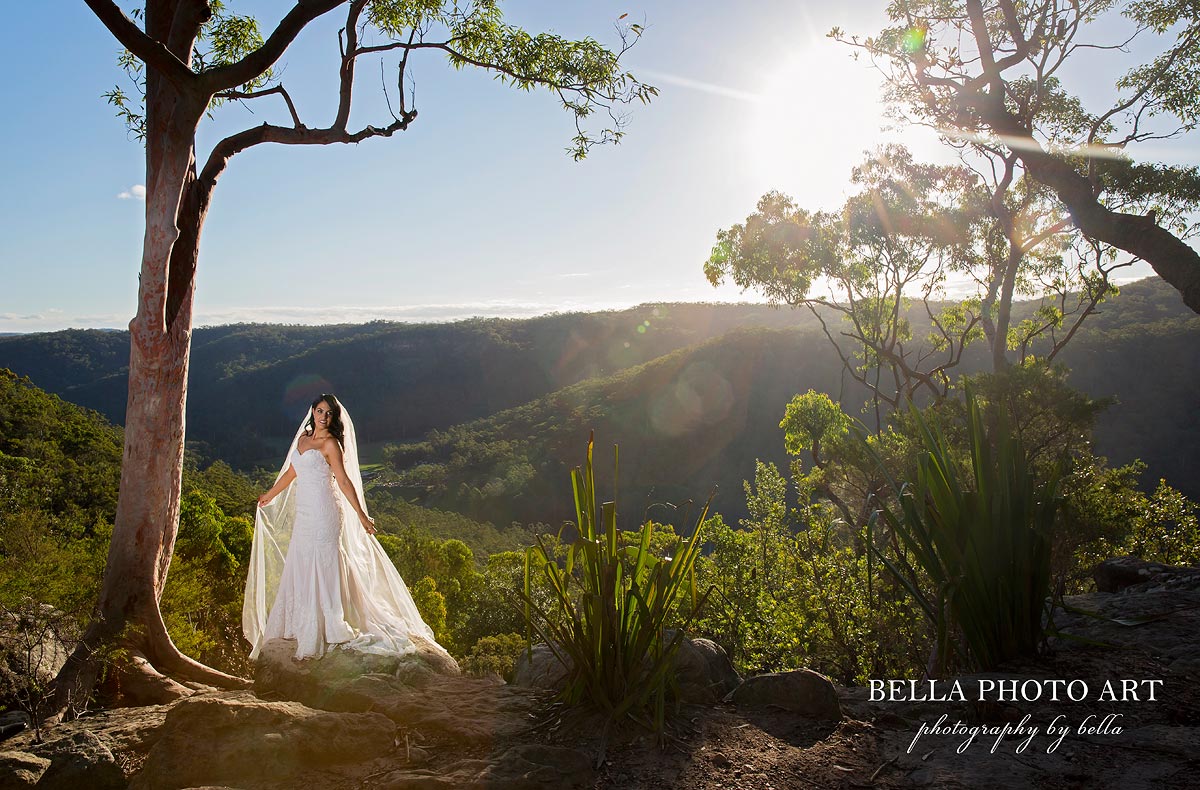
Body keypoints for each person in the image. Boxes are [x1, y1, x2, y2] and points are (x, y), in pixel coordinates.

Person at [243, 394, 444, 661]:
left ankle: (331, 620)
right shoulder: (303, 440)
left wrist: (361, 514)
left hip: (325, 511)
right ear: (312, 412)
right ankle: (300, 620)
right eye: (319, 411)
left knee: (325, 559)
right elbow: (293, 472)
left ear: (334, 417)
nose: (323, 417)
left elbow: (345, 482)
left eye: (328, 413)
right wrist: (270, 494)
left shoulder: (331, 444)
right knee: (302, 557)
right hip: (304, 512)